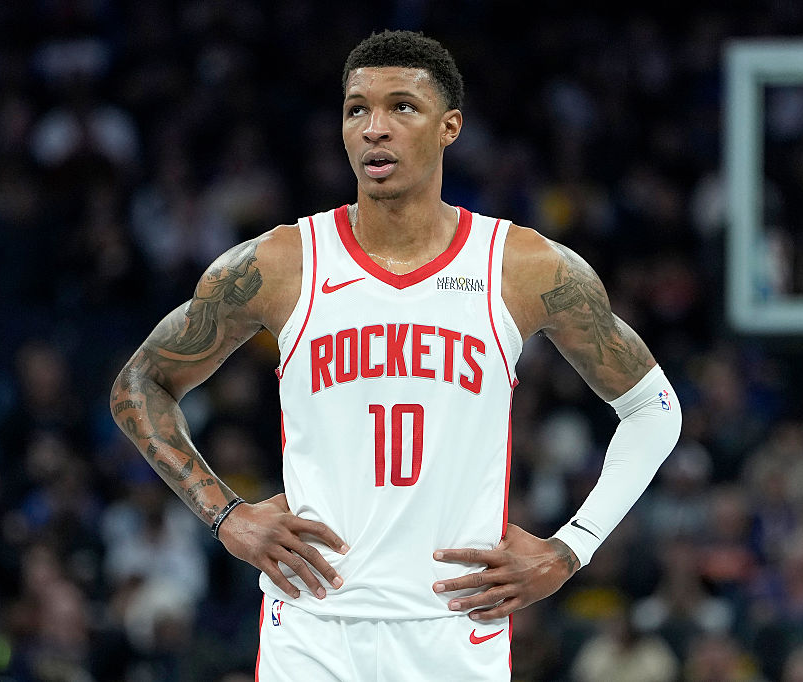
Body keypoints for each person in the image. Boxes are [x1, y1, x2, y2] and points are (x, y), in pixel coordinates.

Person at [111, 29, 681, 680]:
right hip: (312, 629)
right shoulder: (280, 263)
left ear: (450, 127)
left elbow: (653, 409)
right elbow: (141, 385)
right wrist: (227, 516)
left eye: (401, 107)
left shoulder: (521, 266)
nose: (374, 128)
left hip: (454, 629)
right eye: (357, 109)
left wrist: (570, 549)